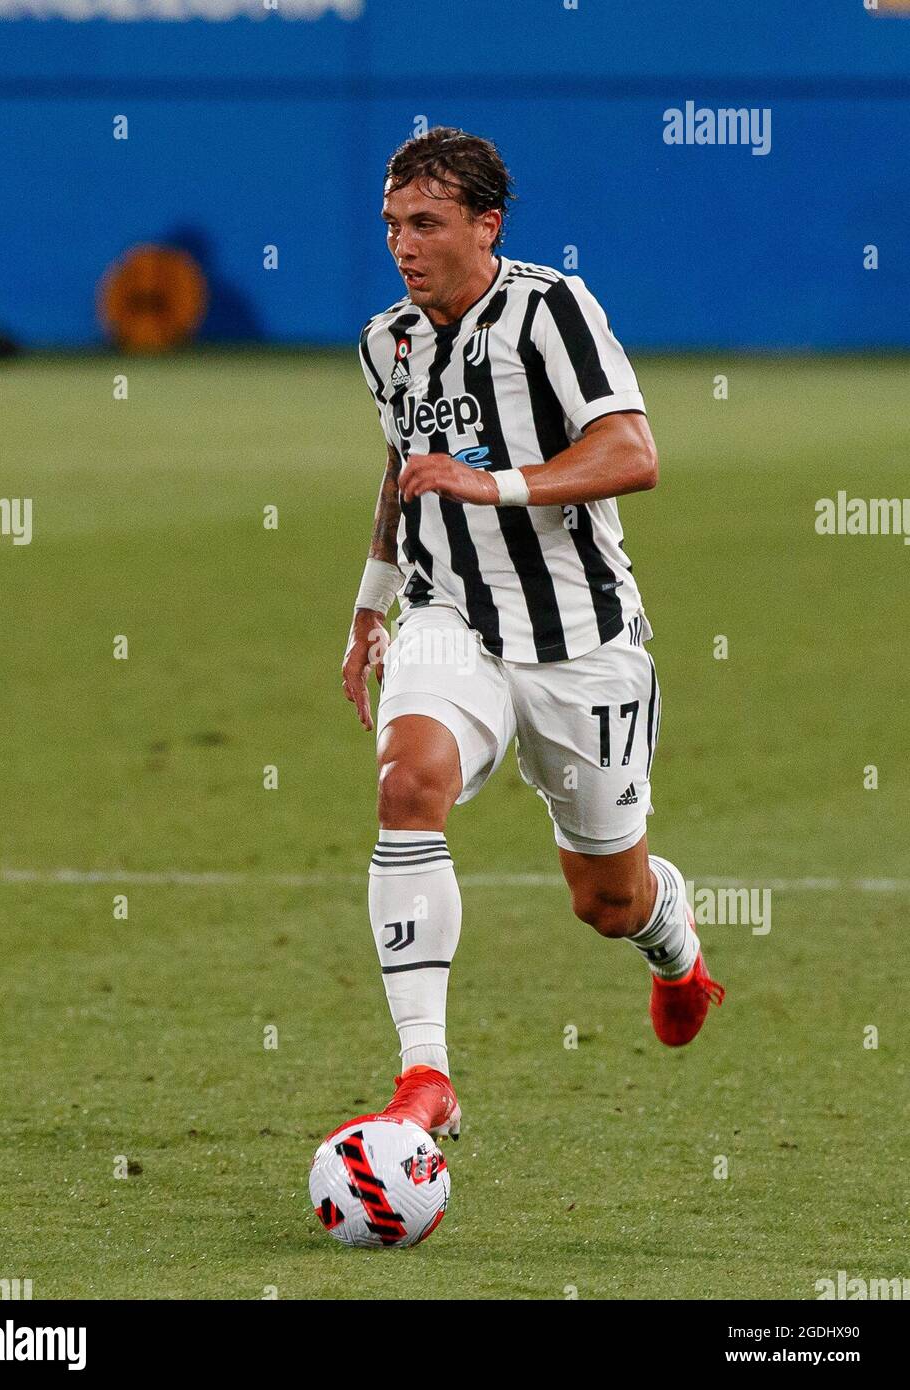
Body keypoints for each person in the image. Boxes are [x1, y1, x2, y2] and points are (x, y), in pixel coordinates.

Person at [342, 126, 724, 1140]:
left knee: (606, 897)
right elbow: (404, 470)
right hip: (447, 617)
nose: (405, 244)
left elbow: (632, 451)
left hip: (580, 639)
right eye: (392, 225)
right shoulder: (389, 342)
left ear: (486, 223)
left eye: (426, 223)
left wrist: (495, 484)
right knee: (405, 783)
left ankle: (672, 944)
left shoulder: (551, 311)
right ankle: (426, 1076)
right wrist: (371, 602)